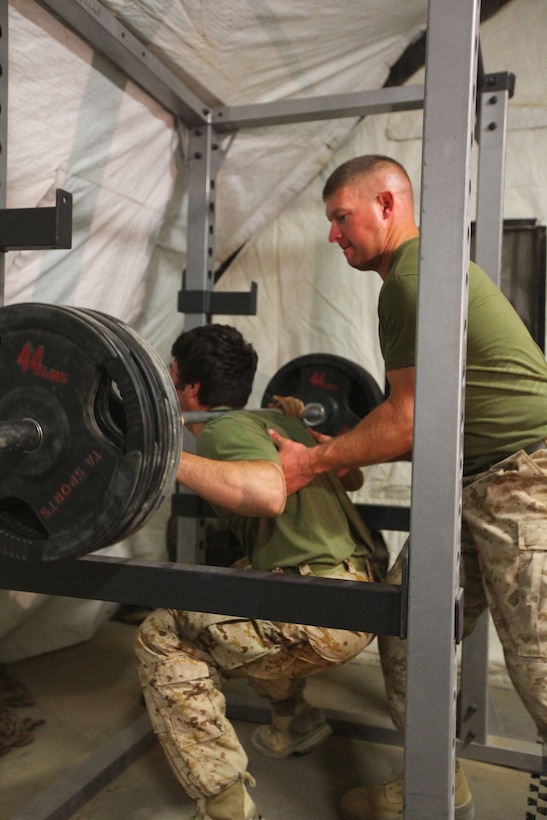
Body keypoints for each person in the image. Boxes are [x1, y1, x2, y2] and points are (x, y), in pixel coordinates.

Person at [268, 154, 547, 820]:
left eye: (341, 218)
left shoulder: (410, 281)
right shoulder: (417, 275)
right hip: (475, 485)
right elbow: (412, 409)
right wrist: (337, 453)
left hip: (524, 479)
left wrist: (309, 464)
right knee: (406, 622)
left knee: (538, 667)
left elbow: (405, 419)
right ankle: (432, 779)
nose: (334, 235)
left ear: (387, 205)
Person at [134, 323, 380, 820]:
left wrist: (166, 455)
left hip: (323, 609)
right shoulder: (276, 422)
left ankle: (225, 805)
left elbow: (267, 495)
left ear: (190, 387)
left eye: (171, 373)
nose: (166, 379)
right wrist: (289, 424)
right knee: (244, 582)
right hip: (360, 593)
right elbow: (352, 475)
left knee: (161, 635)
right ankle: (295, 721)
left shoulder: (223, 431)